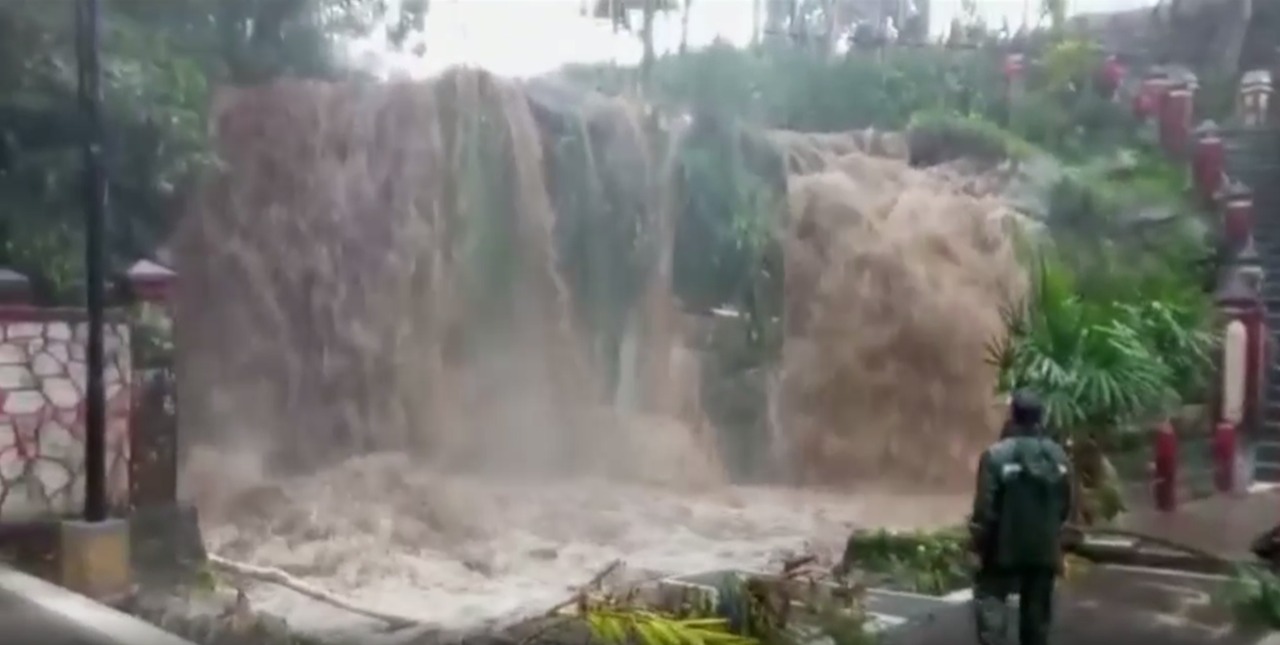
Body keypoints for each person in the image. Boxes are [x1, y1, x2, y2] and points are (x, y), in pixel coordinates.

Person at [969, 390, 1072, 645]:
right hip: (1043, 551)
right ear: (1041, 417)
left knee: (992, 607)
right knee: (1036, 622)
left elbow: (985, 510)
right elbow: (1066, 505)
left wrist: (978, 545)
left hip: (1001, 550)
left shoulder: (995, 455)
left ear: (1013, 416)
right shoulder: (1059, 457)